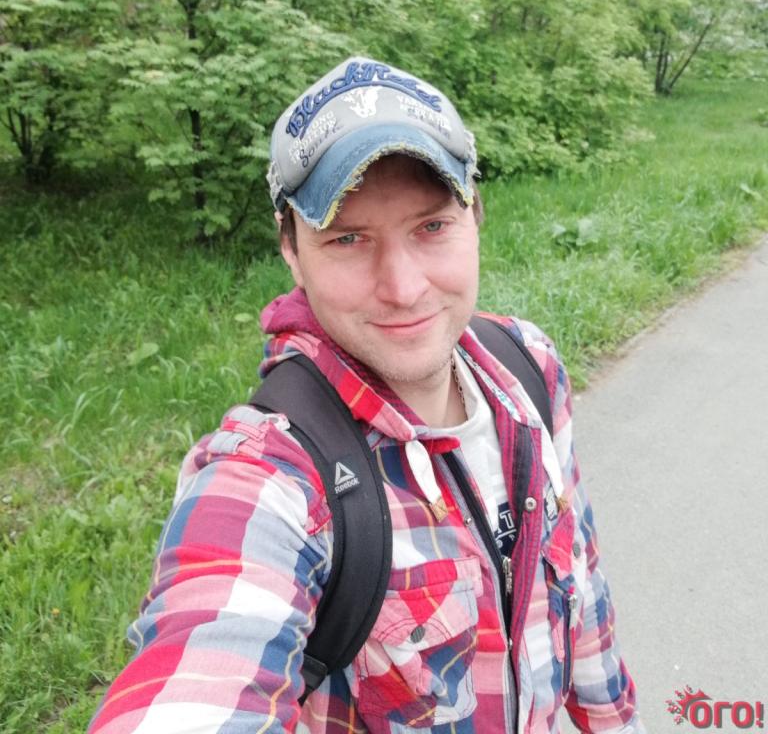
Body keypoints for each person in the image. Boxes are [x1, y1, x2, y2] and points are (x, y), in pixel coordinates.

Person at [89, 57, 646, 734]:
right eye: (349, 239)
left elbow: (580, 582)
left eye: (431, 227)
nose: (404, 288)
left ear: (475, 214)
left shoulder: (529, 368)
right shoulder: (276, 481)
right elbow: (201, 672)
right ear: (291, 250)